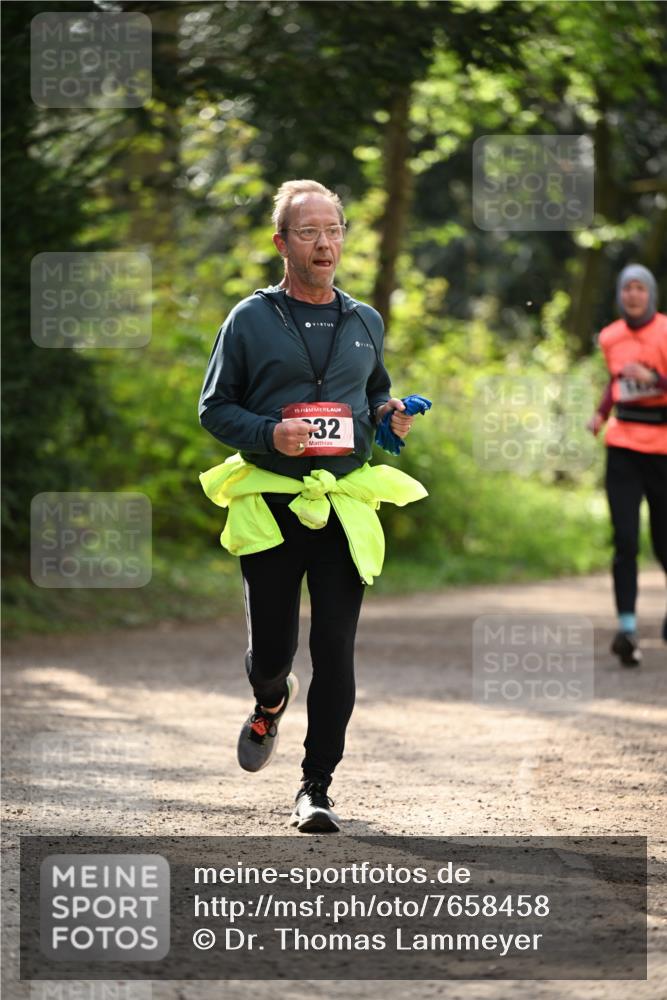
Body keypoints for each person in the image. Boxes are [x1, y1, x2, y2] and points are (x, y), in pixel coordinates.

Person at [198, 179, 426, 831]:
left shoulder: (364, 321)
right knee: (273, 650)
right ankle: (269, 699)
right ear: (281, 243)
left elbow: (373, 396)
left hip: (344, 505)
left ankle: (315, 787)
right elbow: (214, 409)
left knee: (334, 647)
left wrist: (388, 416)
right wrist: (270, 433)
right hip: (271, 503)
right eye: (308, 232)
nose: (325, 243)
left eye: (334, 230)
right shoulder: (248, 320)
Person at [587, 263, 667, 666]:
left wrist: (655, 378)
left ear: (650, 293)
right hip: (623, 445)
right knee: (625, 540)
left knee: (664, 541)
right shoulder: (610, 336)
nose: (633, 294)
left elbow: (642, 379)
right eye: (627, 288)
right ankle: (627, 628)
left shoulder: (665, 331)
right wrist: (601, 415)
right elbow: (616, 381)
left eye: (640, 288)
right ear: (620, 294)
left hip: (663, 448)